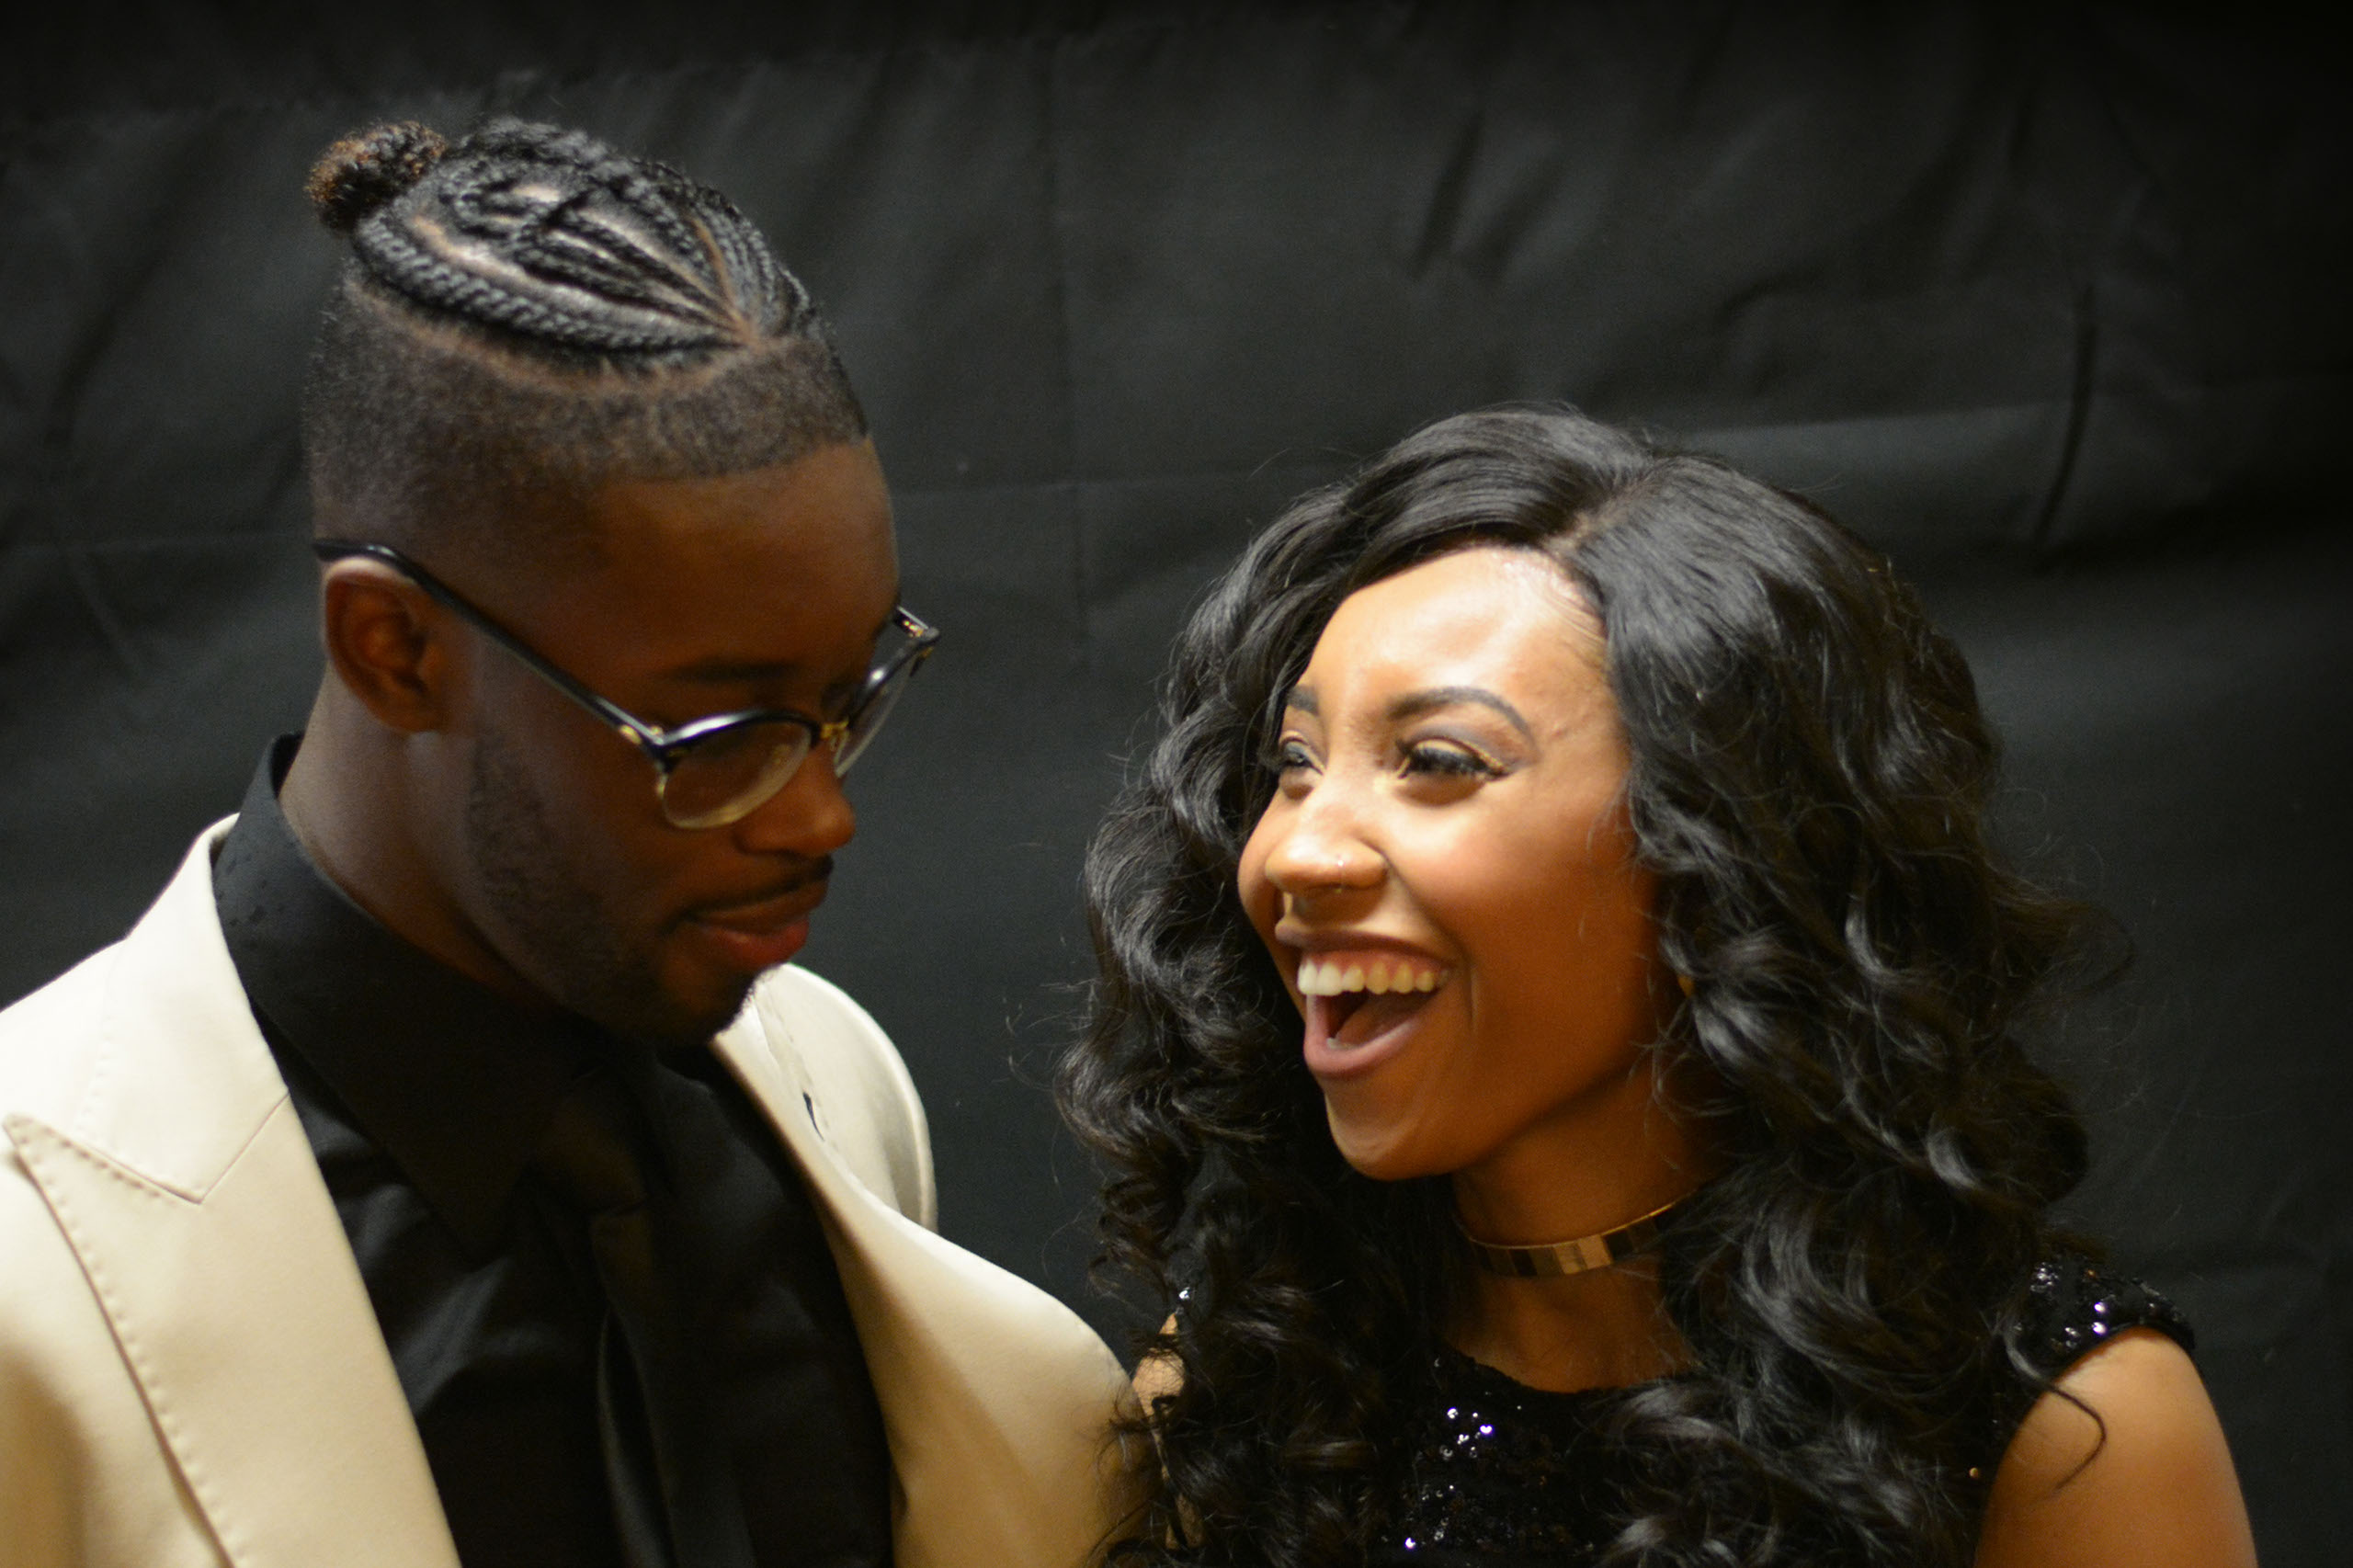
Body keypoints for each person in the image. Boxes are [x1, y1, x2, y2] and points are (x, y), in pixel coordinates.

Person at [0, 119, 1137, 1568]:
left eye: (847, 697)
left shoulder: (827, 1071)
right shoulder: (28, 1260)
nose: (823, 815)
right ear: (394, 648)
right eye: (713, 736)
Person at [1062, 408, 2256, 1567]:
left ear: (1717, 857)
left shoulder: (2055, 1423)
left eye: (1435, 761)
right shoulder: (1256, 1369)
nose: (1299, 852)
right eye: (1296, 763)